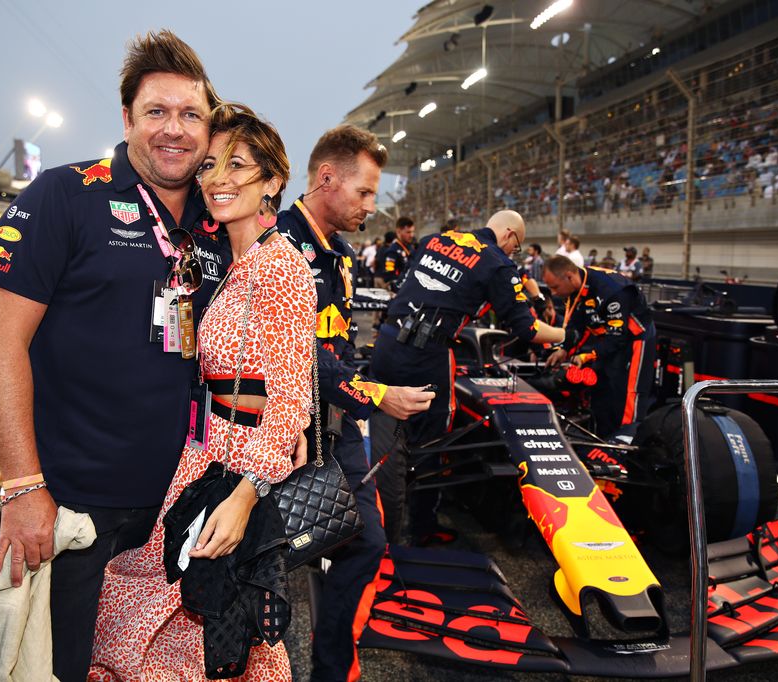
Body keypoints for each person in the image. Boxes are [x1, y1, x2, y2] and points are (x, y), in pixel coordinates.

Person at [0, 31, 232, 681]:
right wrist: (23, 486)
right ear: (126, 119)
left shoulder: (216, 221)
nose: (174, 130)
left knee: (155, 666)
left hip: (179, 504)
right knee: (61, 667)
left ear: (208, 126)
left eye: (191, 115)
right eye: (157, 112)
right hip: (72, 504)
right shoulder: (65, 195)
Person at [90, 103, 315, 680]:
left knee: (200, 617)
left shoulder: (279, 267)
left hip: (236, 470)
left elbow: (289, 396)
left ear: (273, 180)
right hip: (207, 453)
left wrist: (245, 494)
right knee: (190, 622)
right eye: (211, 165)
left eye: (238, 166)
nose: (218, 180)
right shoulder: (243, 262)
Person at [277, 125, 434, 682]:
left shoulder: (337, 252)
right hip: (280, 432)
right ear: (326, 179)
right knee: (267, 560)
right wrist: (378, 396)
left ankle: (331, 666)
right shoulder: (278, 244)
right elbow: (300, 356)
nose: (374, 205)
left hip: (334, 422)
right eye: (365, 192)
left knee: (365, 540)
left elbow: (333, 347)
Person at [370, 211, 565, 546]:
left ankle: (377, 521)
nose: (512, 254)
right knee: (432, 442)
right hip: (426, 356)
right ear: (509, 235)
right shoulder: (496, 263)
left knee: (385, 434)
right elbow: (527, 329)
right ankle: (422, 528)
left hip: (387, 343)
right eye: (515, 247)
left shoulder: (437, 239)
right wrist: (564, 334)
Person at [543, 255, 656, 441]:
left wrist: (586, 355)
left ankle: (627, 440)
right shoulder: (575, 291)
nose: (553, 293)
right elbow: (575, 325)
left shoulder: (611, 291)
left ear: (570, 276)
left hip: (636, 338)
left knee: (630, 392)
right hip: (606, 337)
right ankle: (602, 436)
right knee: (602, 386)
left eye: (555, 287)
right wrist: (563, 349)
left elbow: (617, 337)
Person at [380, 215, 415, 290]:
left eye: (412, 232)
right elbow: (388, 275)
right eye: (408, 232)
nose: (411, 235)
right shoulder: (392, 250)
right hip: (400, 290)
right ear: (398, 231)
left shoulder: (411, 247)